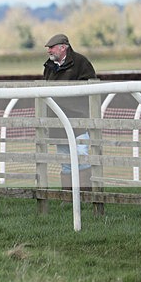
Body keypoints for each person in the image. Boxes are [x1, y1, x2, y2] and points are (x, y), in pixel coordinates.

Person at [42, 33, 96, 193]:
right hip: (57, 121)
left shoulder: (81, 63)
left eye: (51, 48)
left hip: (78, 119)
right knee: (65, 160)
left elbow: (90, 87)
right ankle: (68, 196)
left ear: (63, 47)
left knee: (81, 155)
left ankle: (85, 195)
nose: (49, 51)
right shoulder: (49, 67)